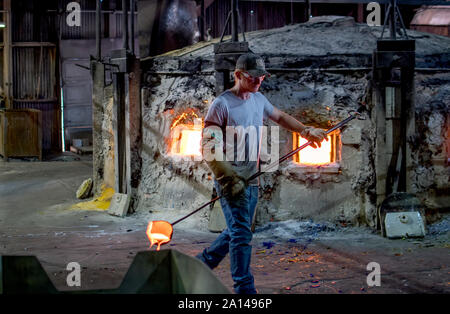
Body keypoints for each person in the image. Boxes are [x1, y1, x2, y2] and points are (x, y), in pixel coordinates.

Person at [196, 52, 327, 294]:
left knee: (239, 229)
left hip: (251, 178)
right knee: (242, 233)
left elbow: (280, 116)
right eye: (253, 77)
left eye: (262, 77)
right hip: (231, 179)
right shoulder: (221, 104)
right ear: (238, 75)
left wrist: (306, 130)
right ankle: (244, 290)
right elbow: (208, 145)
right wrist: (226, 177)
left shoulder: (258, 99)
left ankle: (202, 263)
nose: (258, 82)